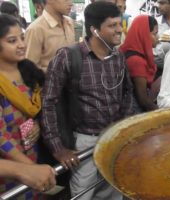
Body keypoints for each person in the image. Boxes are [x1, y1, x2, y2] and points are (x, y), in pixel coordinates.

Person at [41, 1, 135, 199]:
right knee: (83, 193)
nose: (119, 30)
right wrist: (58, 148)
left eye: (120, 24)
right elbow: (48, 103)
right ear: (94, 29)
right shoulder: (68, 57)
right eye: (112, 26)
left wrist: (122, 128)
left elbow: (127, 93)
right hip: (83, 142)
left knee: (112, 190)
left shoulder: (118, 56)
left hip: (113, 138)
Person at [0, 14, 46, 198]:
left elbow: (35, 110)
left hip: (31, 150)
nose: (21, 44)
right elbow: (1, 137)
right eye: (12, 40)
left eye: (22, 37)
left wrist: (37, 124)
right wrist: (30, 168)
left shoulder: (28, 70)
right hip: (9, 164)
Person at [120, 15, 159, 111]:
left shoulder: (132, 52)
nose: (158, 37)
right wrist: (162, 113)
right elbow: (143, 100)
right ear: (144, 34)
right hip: (135, 113)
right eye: (155, 33)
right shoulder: (137, 61)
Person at [25, 0, 75, 73]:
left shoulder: (69, 22)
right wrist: (57, 71)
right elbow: (30, 68)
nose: (71, 3)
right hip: (49, 82)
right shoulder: (35, 29)